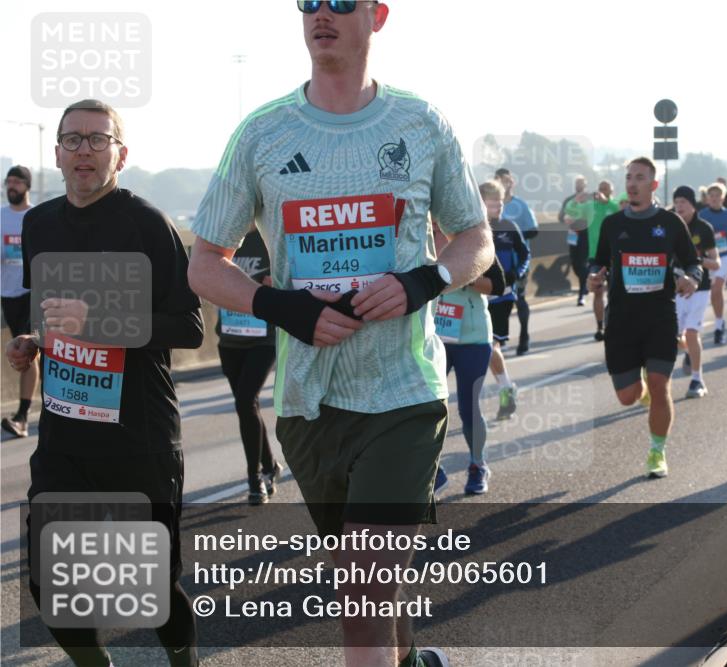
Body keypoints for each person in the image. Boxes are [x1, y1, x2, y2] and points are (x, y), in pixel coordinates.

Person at [187, 4, 494, 666]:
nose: (322, 13)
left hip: (403, 394)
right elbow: (203, 262)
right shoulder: (261, 133)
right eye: (309, 0)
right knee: (370, 592)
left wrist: (423, 282)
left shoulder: (421, 123)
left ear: (377, 15)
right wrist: (281, 304)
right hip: (308, 405)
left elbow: (477, 239)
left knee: (359, 598)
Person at [8, 99, 204, 667]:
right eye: (73, 140)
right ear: (57, 154)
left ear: (122, 152)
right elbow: (49, 312)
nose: (85, 151)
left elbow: (190, 327)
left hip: (138, 434)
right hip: (66, 436)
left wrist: (97, 323)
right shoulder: (39, 224)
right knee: (51, 585)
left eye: (98, 139)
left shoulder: (147, 224)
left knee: (154, 588)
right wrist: (33, 341)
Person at [588, 158, 701, 478]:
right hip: (622, 319)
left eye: (640, 177)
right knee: (628, 397)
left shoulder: (671, 223)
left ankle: (657, 452)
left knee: (659, 383)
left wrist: (691, 278)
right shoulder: (613, 224)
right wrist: (593, 276)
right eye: (628, 177)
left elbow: (693, 264)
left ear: (653, 185)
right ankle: (642, 392)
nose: (632, 182)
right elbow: (597, 263)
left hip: (660, 317)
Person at [431, 217, 505, 495]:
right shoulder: (416, 237)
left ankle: (478, 465)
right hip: (433, 337)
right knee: (427, 407)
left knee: (467, 407)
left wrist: (461, 273)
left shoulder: (470, 238)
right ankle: (431, 471)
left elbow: (498, 284)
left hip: (472, 337)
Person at [215, 228, 283, 505]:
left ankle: (255, 478)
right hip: (230, 338)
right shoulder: (221, 236)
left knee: (245, 401)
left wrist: (275, 284)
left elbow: (295, 278)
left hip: (262, 338)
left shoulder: (270, 234)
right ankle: (270, 466)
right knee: (247, 405)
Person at [486, 180, 530, 421]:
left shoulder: (509, 227)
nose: (498, 207)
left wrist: (517, 274)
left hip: (501, 296)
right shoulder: (471, 228)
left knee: (490, 345)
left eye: (500, 203)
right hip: (475, 297)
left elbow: (525, 254)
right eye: (492, 204)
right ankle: (506, 387)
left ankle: (505, 389)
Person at [1, 165, 38, 438]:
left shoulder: (36, 217)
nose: (11, 186)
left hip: (32, 293)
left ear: (27, 185)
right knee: (26, 352)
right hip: (8, 294)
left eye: (16, 181)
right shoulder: (0, 217)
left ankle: (23, 416)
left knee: (28, 348)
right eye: (8, 181)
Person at [673, 186, 719, 398]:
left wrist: (696, 261)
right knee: (674, 338)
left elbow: (716, 263)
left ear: (692, 204)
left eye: (683, 201)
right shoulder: (669, 227)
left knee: (692, 332)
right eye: (677, 201)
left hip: (700, 289)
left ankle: (697, 380)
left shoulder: (704, 228)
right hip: (676, 290)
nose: (679, 206)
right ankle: (690, 352)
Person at [564, 179, 622, 340]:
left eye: (606, 189)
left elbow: (625, 211)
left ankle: (614, 324)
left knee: (614, 294)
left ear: (611, 191)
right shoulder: (590, 207)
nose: (602, 192)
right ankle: (600, 326)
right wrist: (576, 200)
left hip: (615, 256)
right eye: (600, 189)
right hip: (595, 256)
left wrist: (607, 202)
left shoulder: (615, 206)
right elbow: (571, 210)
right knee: (597, 290)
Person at [495, 168, 538, 355]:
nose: (504, 183)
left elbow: (534, 230)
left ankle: (524, 336)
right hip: (494, 264)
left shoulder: (520, 205)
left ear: (512, 182)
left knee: (519, 298)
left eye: (507, 180)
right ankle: (497, 340)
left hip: (516, 262)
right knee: (494, 301)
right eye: (500, 180)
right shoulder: (490, 205)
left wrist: (512, 236)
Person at [698, 182, 727, 345]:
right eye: (712, 196)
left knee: (716, 289)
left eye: (718, 196)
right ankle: (717, 322)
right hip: (707, 257)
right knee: (708, 292)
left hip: (725, 255)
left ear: (723, 198)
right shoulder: (702, 215)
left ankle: (718, 325)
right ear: (708, 198)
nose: (715, 199)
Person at [559, 176, 589, 306]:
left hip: (587, 234)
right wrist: (565, 218)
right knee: (575, 264)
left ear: (585, 185)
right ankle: (585, 281)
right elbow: (560, 216)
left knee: (582, 264)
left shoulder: (590, 200)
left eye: (581, 183)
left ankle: (581, 294)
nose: (579, 186)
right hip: (573, 234)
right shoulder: (569, 200)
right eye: (577, 183)